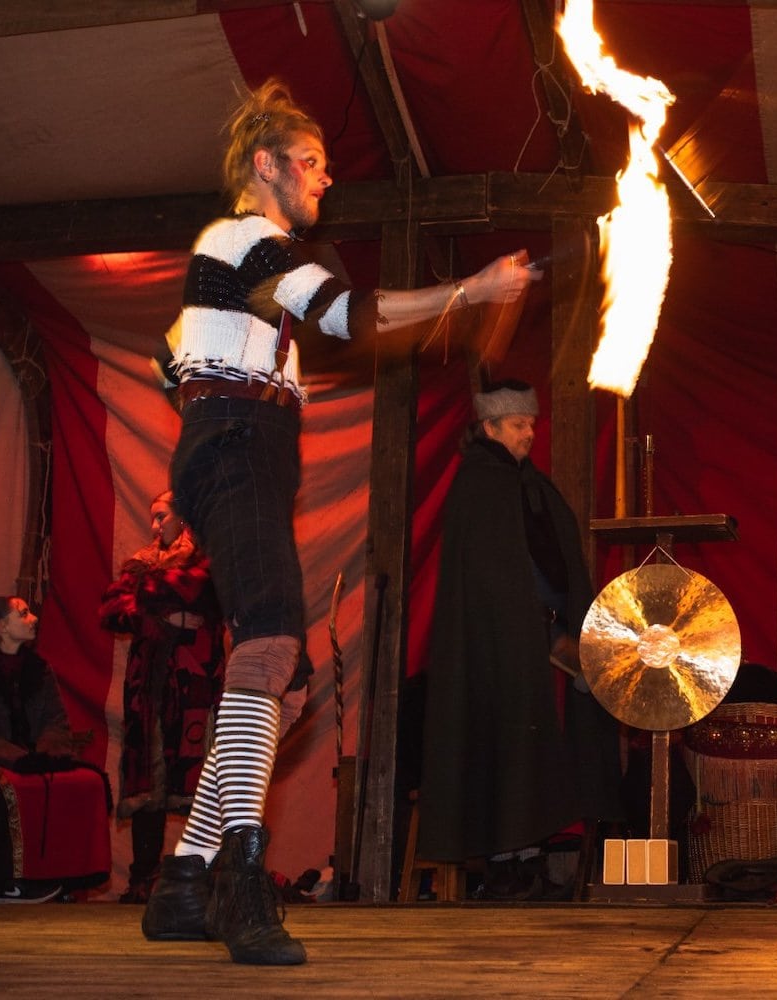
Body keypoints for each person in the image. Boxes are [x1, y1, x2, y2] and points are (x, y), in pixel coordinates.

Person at [139, 79, 535, 964]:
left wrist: (192, 454)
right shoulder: (247, 236)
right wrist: (468, 290)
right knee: (273, 644)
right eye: (311, 165)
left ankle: (184, 880)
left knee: (286, 677)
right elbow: (352, 314)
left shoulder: (232, 263)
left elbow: (172, 352)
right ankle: (243, 878)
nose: (323, 182)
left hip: (241, 444)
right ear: (265, 165)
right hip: (239, 440)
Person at [416, 379, 623, 900]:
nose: (530, 432)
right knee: (508, 746)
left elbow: (555, 560)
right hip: (501, 646)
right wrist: (522, 625)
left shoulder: (530, 483)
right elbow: (491, 575)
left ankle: (534, 864)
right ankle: (510, 868)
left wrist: (568, 625)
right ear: (489, 427)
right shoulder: (480, 486)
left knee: (538, 748)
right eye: (518, 424)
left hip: (545, 640)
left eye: (531, 423)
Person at [98, 491, 225, 904]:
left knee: (200, 779)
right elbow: (112, 608)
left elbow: (197, 588)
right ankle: (143, 880)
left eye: (161, 517)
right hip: (148, 687)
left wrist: (150, 596)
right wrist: (154, 609)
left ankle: (204, 878)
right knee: (148, 784)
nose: (155, 527)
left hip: (194, 683)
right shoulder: (139, 561)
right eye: (152, 519)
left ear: (185, 517)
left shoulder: (213, 556)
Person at [0, 597, 111, 903]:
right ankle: (9, 880)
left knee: (90, 781)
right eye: (23, 614)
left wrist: (47, 754)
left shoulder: (39, 669)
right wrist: (18, 759)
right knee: (4, 789)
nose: (32, 618)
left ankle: (63, 875)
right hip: (0, 757)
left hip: (35, 756)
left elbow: (56, 720)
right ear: (1, 626)